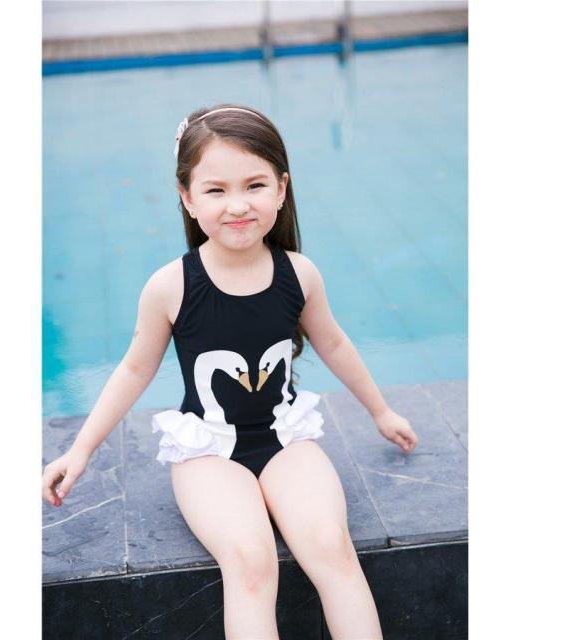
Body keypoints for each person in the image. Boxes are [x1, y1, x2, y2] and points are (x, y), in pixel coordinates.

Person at [42, 103, 419, 639]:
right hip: (208, 452)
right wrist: (79, 451)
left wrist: (381, 411)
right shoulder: (171, 286)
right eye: (216, 190)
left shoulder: (299, 274)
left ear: (282, 189)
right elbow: (133, 370)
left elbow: (333, 343)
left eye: (255, 185)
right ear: (187, 197)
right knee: (250, 561)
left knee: (332, 548)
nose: (237, 205)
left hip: (286, 440)